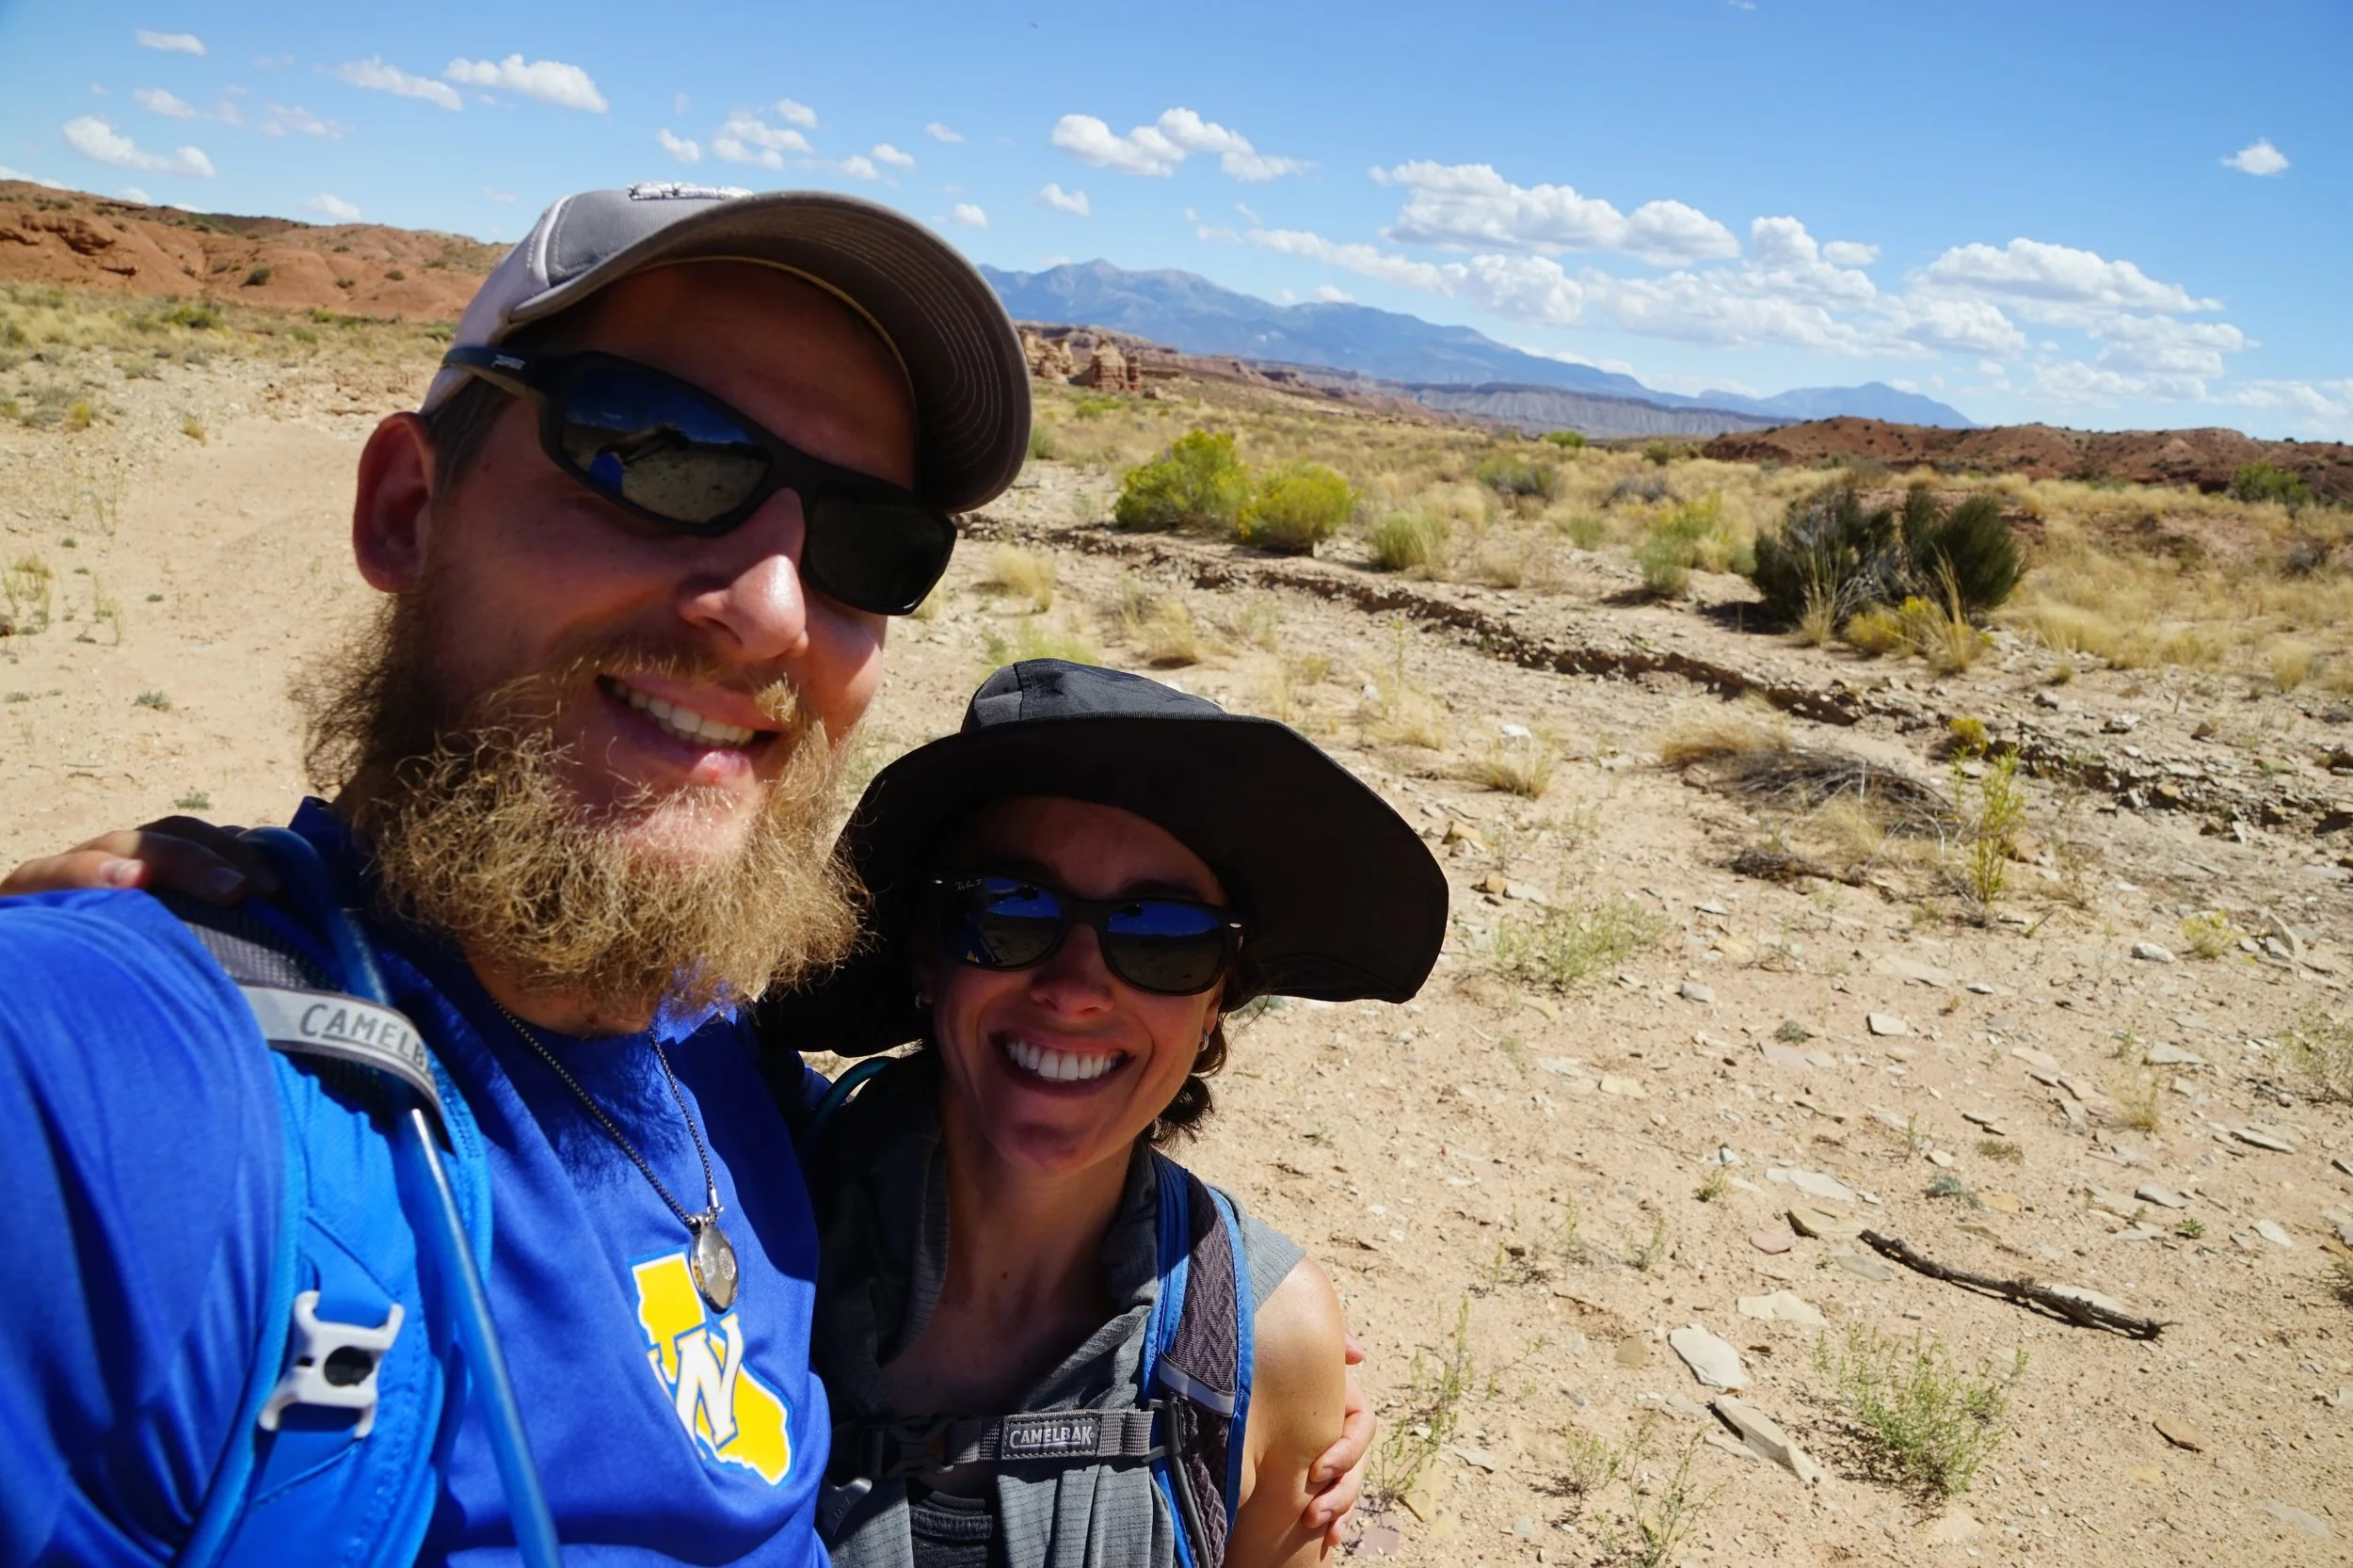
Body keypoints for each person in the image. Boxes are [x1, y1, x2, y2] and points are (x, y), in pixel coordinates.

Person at [0, 184, 1368, 1565]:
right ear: (408, 509)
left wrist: (1255, 1343)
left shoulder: (735, 1082)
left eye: (864, 541)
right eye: (662, 454)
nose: (771, 607)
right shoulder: (103, 1093)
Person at [772, 658, 1451, 1568]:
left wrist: (1282, 1366)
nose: (1076, 989)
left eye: (1162, 938)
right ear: (926, 956)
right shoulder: (735, 1209)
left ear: (1216, 1001)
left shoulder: (1266, 1340)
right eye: (1011, 911)